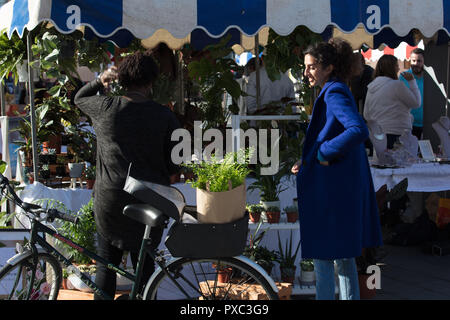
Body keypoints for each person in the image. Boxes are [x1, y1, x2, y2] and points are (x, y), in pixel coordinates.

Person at [74, 50, 180, 300]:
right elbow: (175, 167)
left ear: (121, 80)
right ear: (152, 82)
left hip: (110, 200)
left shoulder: (105, 107)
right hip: (150, 199)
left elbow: (79, 98)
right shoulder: (164, 116)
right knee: (145, 270)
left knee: (106, 265)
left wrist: (100, 80)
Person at [291, 39, 383, 300]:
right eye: (305, 67)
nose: (306, 72)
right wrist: (308, 158)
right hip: (338, 187)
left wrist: (322, 153)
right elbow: (333, 132)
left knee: (326, 258)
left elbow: (357, 129)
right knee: (341, 258)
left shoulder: (333, 92)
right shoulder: (334, 88)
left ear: (329, 67)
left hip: (333, 190)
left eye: (311, 67)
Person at [363, 54, 421, 149]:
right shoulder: (397, 85)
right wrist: (412, 82)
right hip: (397, 134)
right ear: (392, 68)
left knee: (381, 163)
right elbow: (416, 103)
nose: (398, 69)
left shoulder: (371, 87)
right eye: (397, 65)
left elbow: (366, 114)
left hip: (377, 135)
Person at [399, 48, 425, 140]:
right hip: (407, 123)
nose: (416, 64)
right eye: (413, 60)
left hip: (425, 123)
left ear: (424, 62)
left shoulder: (429, 77)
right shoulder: (403, 76)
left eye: (419, 61)